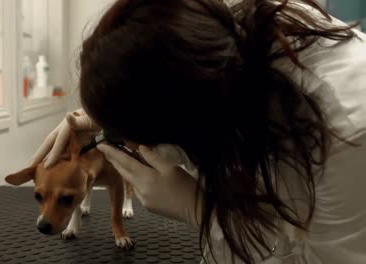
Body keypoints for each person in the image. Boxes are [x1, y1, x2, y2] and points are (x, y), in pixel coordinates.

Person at [31, 0, 366, 263]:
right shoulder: (211, 46)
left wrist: (204, 211)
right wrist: (104, 103)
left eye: (138, 136)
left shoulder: (349, 131)